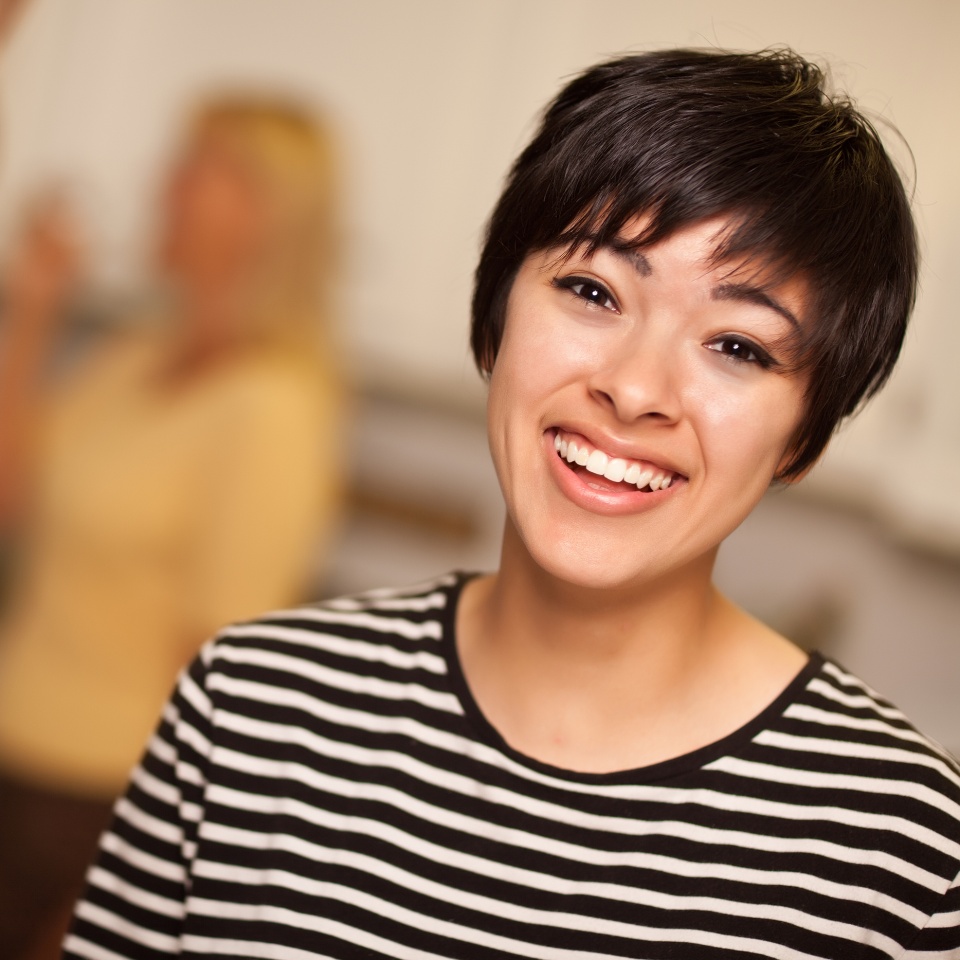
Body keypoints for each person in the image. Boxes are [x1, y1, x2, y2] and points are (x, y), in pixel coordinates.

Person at [64, 48, 959, 959]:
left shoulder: (899, 849)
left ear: (805, 437)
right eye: (592, 289)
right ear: (493, 314)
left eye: (737, 346)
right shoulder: (248, 712)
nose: (636, 388)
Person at [0, 96, 344, 958]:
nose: (164, 188)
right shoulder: (138, 353)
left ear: (264, 214)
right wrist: (34, 309)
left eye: (195, 170)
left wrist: (140, 868)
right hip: (17, 753)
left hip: (98, 807)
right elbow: (11, 497)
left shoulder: (274, 407)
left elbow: (222, 661)